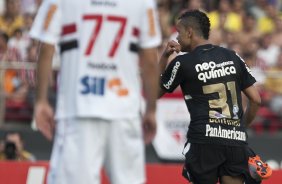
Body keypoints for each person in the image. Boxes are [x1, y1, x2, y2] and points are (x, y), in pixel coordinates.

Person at [30, 0, 161, 184]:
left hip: (78, 108)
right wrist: (151, 109)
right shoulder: (142, 2)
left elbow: (45, 49)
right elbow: (149, 60)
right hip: (124, 110)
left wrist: (41, 101)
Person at [158, 9, 264, 184]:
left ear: (189, 32)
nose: (176, 37)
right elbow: (256, 99)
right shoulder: (232, 56)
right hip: (234, 141)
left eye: (179, 32)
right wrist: (239, 128)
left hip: (204, 142)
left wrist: (164, 56)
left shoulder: (182, 62)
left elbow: (154, 92)